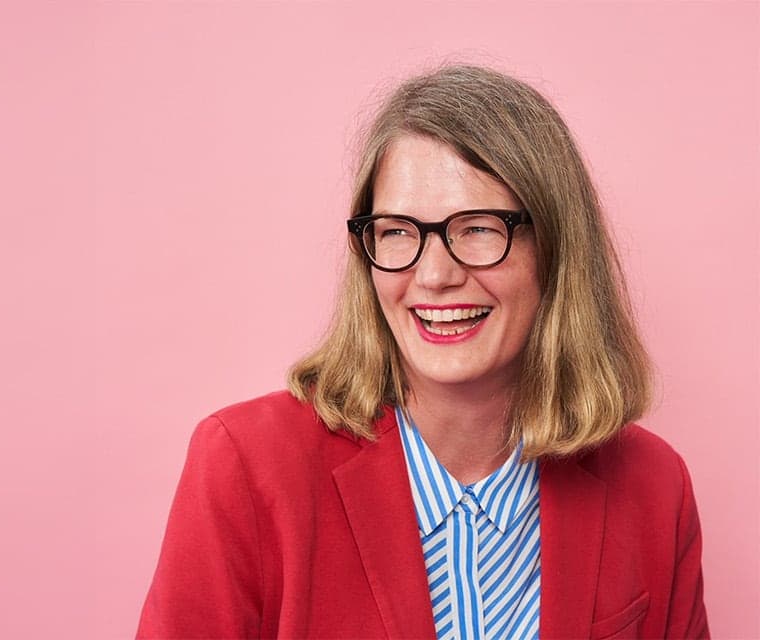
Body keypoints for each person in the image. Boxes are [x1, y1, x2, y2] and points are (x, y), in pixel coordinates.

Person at [136, 65, 708, 639]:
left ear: (557, 249)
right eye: (398, 231)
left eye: (479, 228)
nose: (433, 275)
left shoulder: (655, 487)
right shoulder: (244, 466)